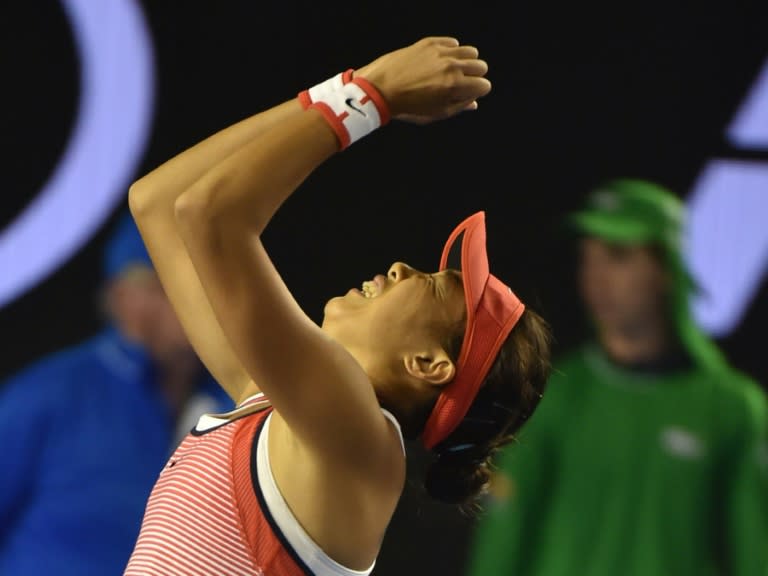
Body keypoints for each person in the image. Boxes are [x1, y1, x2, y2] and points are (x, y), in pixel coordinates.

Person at [122, 36, 552, 575]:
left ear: (429, 364)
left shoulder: (362, 440)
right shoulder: (282, 410)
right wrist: (344, 89)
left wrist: (374, 97)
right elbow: (158, 204)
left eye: (431, 284)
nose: (400, 268)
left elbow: (211, 214)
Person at [465, 179, 768, 576]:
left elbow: (755, 552)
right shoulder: (552, 395)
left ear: (668, 268)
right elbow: (503, 540)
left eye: (619, 255)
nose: (596, 276)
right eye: (588, 258)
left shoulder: (733, 407)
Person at [0, 211, 234, 575]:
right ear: (123, 296)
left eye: (213, 282)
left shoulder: (241, 405)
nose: (201, 301)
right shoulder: (46, 395)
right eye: (176, 284)